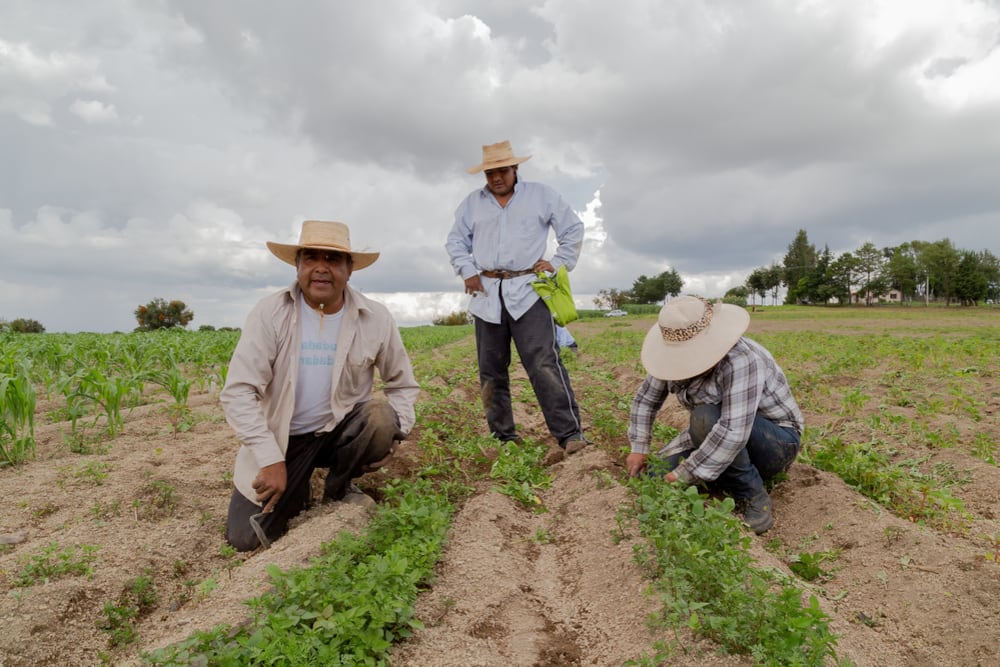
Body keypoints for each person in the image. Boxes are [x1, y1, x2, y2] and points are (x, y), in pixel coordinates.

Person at [221, 219, 419, 551]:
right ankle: (298, 486)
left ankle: (340, 487)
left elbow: (402, 384)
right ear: (298, 266)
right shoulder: (270, 314)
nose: (321, 269)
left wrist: (397, 433)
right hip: (284, 441)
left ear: (349, 269)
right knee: (247, 539)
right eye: (311, 258)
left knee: (381, 418)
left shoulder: (377, 318)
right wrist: (270, 459)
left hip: (339, 433)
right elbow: (239, 391)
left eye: (332, 259)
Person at [445, 140, 588, 454]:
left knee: (544, 363)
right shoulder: (472, 204)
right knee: (491, 369)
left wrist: (556, 264)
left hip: (528, 291)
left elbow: (573, 229)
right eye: (490, 172)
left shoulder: (541, 196)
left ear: (515, 169)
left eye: (502, 171)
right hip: (486, 294)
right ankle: (504, 438)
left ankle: (569, 435)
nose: (497, 178)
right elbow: (455, 241)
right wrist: (467, 269)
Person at [626, 296, 803, 534]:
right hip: (718, 432)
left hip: (774, 441)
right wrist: (639, 448)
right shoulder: (671, 359)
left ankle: (751, 494)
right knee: (655, 476)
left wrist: (683, 474)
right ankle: (720, 473)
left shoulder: (741, 359)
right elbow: (646, 400)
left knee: (705, 415)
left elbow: (733, 431)